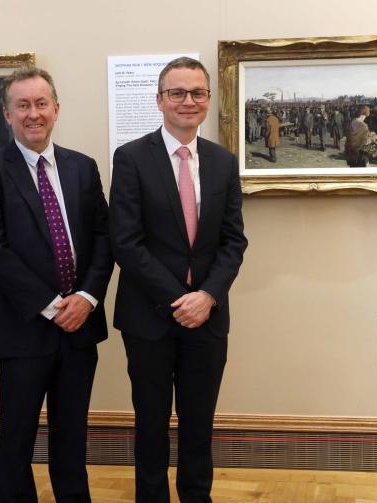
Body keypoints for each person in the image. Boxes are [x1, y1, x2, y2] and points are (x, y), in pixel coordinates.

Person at [0, 65, 113, 502]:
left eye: (41, 103)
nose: (34, 113)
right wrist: (53, 305)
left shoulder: (82, 168)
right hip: (22, 328)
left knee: (72, 435)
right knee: (17, 437)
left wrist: (86, 297)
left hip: (81, 325)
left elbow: (106, 237)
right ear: (7, 114)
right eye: (23, 105)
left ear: (56, 109)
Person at [110, 57, 248, 503]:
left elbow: (234, 241)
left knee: (198, 422)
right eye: (177, 93)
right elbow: (126, 242)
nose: (188, 101)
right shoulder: (131, 157)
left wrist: (206, 296)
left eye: (197, 93)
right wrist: (180, 298)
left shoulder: (224, 163)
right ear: (159, 100)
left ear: (208, 99)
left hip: (207, 317)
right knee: (150, 422)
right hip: (149, 317)